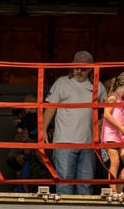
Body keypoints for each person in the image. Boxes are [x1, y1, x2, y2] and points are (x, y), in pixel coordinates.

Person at [43, 51, 108, 195]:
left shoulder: (98, 86)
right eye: (76, 67)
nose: (79, 71)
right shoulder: (61, 82)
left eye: (83, 68)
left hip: (89, 143)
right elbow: (49, 108)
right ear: (71, 66)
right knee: (64, 183)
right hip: (64, 142)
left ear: (90, 69)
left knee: (86, 184)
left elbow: (107, 111)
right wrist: (43, 130)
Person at [101, 72, 124, 198]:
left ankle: (119, 190)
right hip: (110, 136)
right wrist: (120, 127)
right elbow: (106, 113)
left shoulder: (120, 100)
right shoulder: (113, 97)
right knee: (115, 161)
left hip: (120, 137)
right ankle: (113, 190)